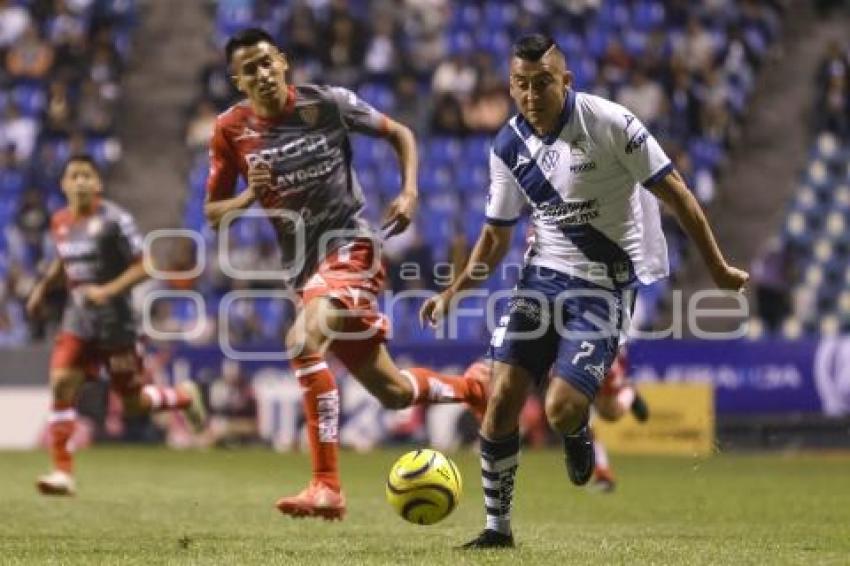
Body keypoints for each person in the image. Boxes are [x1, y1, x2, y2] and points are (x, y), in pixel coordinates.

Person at [420, 34, 749, 548]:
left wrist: (720, 268)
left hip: (604, 287)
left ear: (566, 81)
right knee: (502, 396)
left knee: (561, 408)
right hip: (541, 277)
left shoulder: (612, 124)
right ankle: (496, 529)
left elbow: (678, 196)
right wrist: (452, 293)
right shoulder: (507, 145)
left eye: (543, 83)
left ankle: (575, 432)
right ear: (510, 87)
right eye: (521, 85)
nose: (531, 95)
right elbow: (494, 237)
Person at [204, 28, 488, 521]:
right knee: (393, 391)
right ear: (237, 80)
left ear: (284, 62)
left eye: (267, 61)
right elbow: (213, 214)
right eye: (249, 68)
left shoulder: (326, 104)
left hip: (351, 247)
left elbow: (401, 132)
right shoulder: (230, 131)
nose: (262, 73)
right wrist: (248, 197)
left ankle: (326, 486)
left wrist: (409, 191)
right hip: (304, 267)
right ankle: (473, 389)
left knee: (301, 340)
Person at [27, 155, 206, 496]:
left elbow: (147, 266)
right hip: (78, 320)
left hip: (117, 324)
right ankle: (62, 472)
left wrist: (106, 291)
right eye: (73, 176)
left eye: (85, 176)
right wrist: (42, 288)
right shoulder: (60, 221)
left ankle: (182, 397)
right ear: (64, 185)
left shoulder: (114, 220)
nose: (79, 181)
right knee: (61, 383)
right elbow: (63, 260)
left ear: (97, 184)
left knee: (133, 403)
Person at [589, 348, 649, 493]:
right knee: (582, 426)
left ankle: (629, 393)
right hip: (573, 356)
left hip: (600, 355)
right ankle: (603, 473)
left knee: (609, 414)